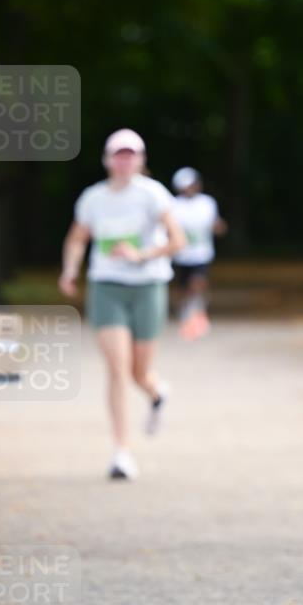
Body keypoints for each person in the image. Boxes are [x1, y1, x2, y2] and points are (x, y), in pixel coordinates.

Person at [59, 129, 185, 480]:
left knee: (138, 373)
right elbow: (77, 238)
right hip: (107, 286)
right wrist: (70, 269)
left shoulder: (152, 195)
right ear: (107, 159)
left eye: (131, 154)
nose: (124, 160)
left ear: (141, 160)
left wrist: (141, 254)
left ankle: (156, 391)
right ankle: (121, 452)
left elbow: (178, 241)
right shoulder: (93, 199)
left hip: (147, 285)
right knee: (117, 368)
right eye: (118, 154)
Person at [170, 167, 227, 340]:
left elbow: (216, 224)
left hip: (202, 254)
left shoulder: (207, 203)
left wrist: (219, 227)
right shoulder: (174, 204)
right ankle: (185, 313)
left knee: (198, 282)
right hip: (181, 255)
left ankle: (198, 312)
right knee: (182, 287)